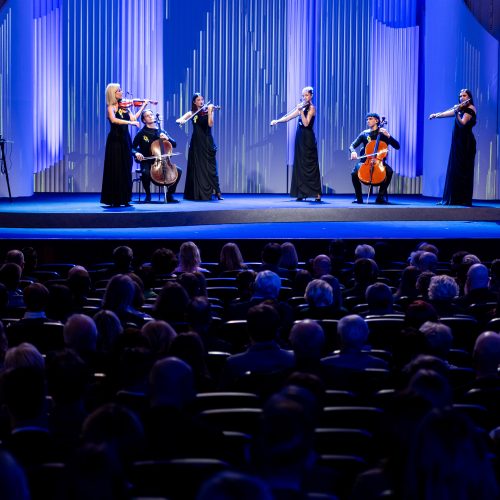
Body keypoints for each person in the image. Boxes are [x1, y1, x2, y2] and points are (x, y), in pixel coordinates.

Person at [271, 86, 322, 202]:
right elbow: (289, 117)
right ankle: (301, 192)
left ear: (311, 95)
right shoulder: (302, 107)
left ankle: (316, 193)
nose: (304, 97)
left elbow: (306, 123)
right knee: (300, 164)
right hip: (300, 138)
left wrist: (301, 112)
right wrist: (277, 121)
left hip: (308, 138)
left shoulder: (312, 108)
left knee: (310, 164)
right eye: (303, 95)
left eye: (307, 95)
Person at [100, 83, 147, 207]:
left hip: (125, 140)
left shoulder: (125, 107)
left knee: (126, 167)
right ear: (113, 93)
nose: (121, 92)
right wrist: (130, 123)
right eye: (118, 90)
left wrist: (143, 106)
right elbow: (114, 120)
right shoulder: (111, 107)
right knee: (115, 168)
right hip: (115, 141)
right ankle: (114, 199)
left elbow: (133, 119)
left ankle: (125, 198)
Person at [430, 89, 477, 206]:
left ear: (469, 97)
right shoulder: (461, 108)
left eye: (464, 95)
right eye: (460, 96)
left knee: (462, 170)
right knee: (454, 169)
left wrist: (456, 113)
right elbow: (448, 113)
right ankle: (453, 198)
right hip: (458, 142)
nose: (462, 98)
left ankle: (462, 199)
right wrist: (437, 115)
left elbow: (462, 124)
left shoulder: (470, 109)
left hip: (466, 143)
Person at [176, 93, 223, 201]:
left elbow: (210, 124)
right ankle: (195, 192)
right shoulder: (192, 113)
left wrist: (210, 111)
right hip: (196, 143)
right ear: (194, 102)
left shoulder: (208, 111)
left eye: (202, 99)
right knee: (196, 166)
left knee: (210, 167)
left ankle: (217, 191)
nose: (201, 101)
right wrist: (181, 120)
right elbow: (179, 120)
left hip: (207, 142)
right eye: (198, 100)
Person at [132, 109, 182, 203]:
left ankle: (170, 194)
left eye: (151, 114)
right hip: (147, 161)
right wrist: (137, 153)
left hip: (162, 161)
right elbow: (132, 147)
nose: (151, 116)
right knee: (146, 172)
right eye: (148, 115)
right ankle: (148, 195)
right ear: (143, 120)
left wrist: (167, 138)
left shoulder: (161, 131)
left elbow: (174, 144)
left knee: (178, 171)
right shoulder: (141, 133)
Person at [349, 112, 400, 204]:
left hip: (379, 162)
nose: (368, 121)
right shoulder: (364, 134)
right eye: (367, 119)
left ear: (377, 121)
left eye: (370, 119)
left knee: (389, 171)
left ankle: (380, 197)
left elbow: (397, 146)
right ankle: (359, 198)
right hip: (365, 161)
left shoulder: (383, 134)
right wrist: (353, 151)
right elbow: (352, 145)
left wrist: (388, 136)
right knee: (353, 173)